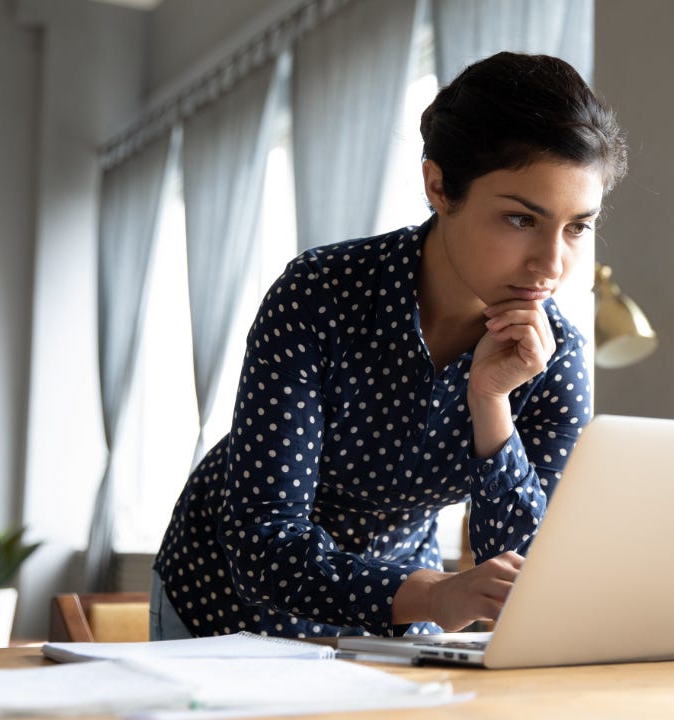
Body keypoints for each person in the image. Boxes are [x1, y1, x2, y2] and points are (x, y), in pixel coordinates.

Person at [150, 51, 627, 640]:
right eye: (520, 220)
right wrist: (430, 592)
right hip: (226, 598)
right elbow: (263, 543)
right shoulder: (320, 294)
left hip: (405, 603)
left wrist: (491, 403)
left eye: (578, 226)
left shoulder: (554, 358)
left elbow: (524, 571)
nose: (552, 264)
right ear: (439, 187)